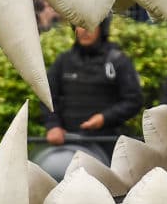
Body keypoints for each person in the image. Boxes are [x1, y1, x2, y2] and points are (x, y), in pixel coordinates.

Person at [40, 16, 144, 160]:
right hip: (68, 145)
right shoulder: (64, 61)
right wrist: (53, 126)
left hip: (106, 144)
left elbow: (134, 100)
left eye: (91, 25)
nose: (84, 31)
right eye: (80, 26)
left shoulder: (117, 60)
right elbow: (48, 96)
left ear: (102, 28)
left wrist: (104, 118)